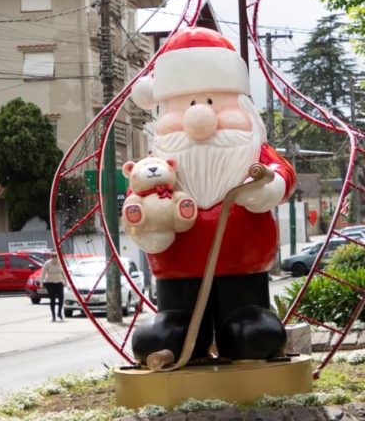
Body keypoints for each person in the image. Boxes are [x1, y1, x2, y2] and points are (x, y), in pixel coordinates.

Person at [126, 27, 296, 365]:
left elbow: (282, 173)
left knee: (251, 330)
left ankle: (245, 326)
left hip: (243, 264)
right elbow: (140, 192)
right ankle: (178, 332)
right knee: (169, 332)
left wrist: (270, 187)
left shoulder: (251, 151)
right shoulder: (157, 165)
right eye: (187, 105)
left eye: (212, 103)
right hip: (179, 268)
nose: (199, 118)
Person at [40, 254, 65, 322]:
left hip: (59, 283)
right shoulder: (47, 263)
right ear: (51, 258)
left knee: (61, 299)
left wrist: (66, 282)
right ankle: (53, 316)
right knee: (52, 299)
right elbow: (43, 274)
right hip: (50, 283)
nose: (55, 260)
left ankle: (59, 313)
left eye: (56, 258)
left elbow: (64, 273)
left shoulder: (60, 263)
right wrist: (41, 282)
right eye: (53, 258)